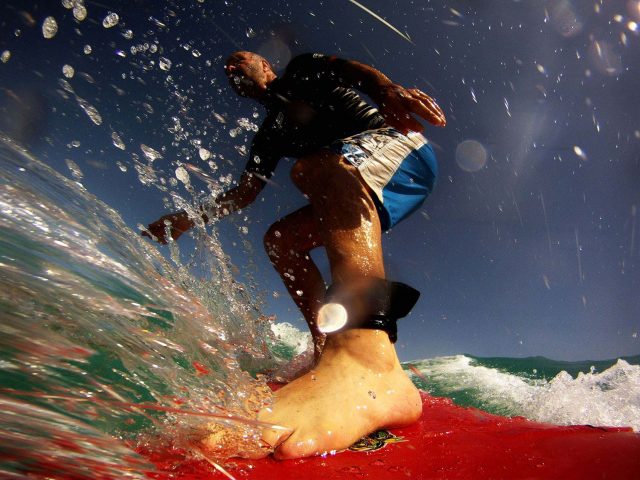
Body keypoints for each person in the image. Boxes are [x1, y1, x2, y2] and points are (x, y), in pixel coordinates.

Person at [144, 51, 446, 459]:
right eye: (227, 68)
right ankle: (326, 348)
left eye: (240, 60)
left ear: (266, 66)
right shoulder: (269, 135)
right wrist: (185, 220)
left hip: (399, 149)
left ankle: (365, 356)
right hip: (355, 179)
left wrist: (385, 89)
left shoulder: (301, 72)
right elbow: (244, 194)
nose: (231, 68)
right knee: (281, 240)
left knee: (315, 167)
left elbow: (350, 70)